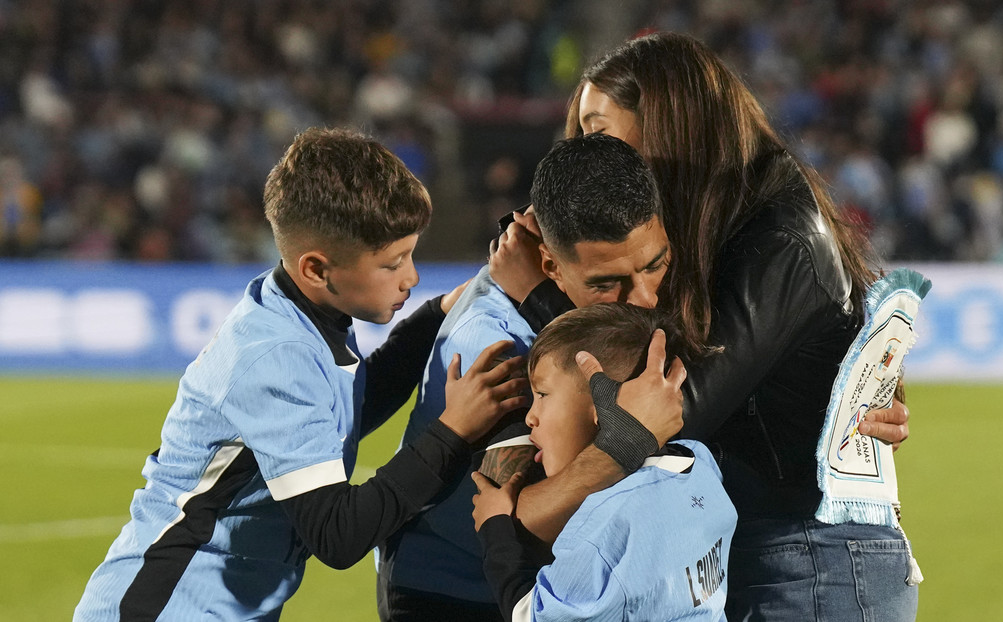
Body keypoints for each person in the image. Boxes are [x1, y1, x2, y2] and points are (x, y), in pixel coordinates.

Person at [490, 32, 918, 620]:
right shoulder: (711, 225)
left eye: (599, 132)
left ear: (672, 130)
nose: (588, 154)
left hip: (808, 565)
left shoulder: (779, 239)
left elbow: (667, 410)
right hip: (758, 552)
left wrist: (539, 296)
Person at [73, 127, 529, 621]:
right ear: (316, 268)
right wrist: (451, 432)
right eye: (392, 263)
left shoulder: (308, 314)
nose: (411, 277)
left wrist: (445, 309)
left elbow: (350, 406)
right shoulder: (276, 354)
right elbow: (338, 534)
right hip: (168, 606)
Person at [376, 133, 683, 621]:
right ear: (548, 265)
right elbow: (518, 524)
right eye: (606, 284)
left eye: (655, 264)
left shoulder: (580, 301)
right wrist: (630, 442)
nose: (645, 298)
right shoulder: (497, 348)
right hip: (456, 594)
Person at [472, 302, 735, 622]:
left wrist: (496, 530)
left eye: (542, 394)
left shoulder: (604, 527)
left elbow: (532, 615)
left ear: (601, 406)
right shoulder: (701, 461)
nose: (530, 417)